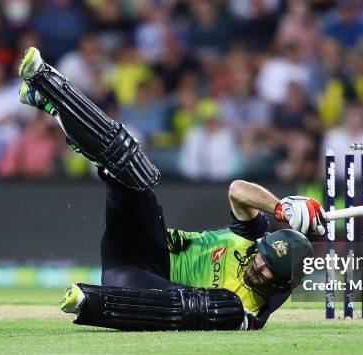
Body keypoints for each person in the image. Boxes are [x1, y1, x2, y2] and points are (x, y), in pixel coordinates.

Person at [17, 47, 325, 331]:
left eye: (268, 268)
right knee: (131, 163)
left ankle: (91, 303)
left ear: (282, 285)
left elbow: (183, 311)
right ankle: (46, 85)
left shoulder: (253, 310)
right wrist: (281, 208)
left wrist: (95, 304)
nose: (258, 264)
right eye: (262, 255)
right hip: (148, 242)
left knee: (221, 308)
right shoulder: (252, 238)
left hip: (137, 283)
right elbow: (238, 190)